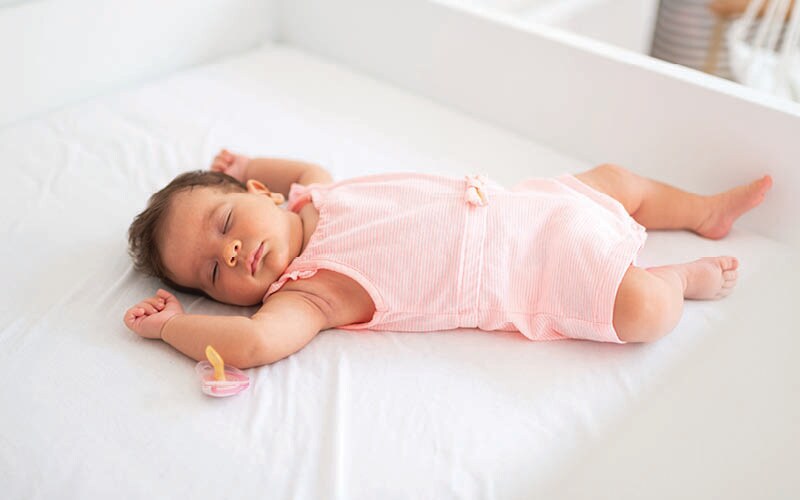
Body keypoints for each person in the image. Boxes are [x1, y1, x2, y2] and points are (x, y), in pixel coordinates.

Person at [124, 149, 772, 368]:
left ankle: (701, 211)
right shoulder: (308, 294)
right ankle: (679, 278)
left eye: (226, 223)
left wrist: (243, 164)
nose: (232, 253)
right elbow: (253, 346)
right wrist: (170, 326)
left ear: (262, 195)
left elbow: (299, 167)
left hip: (530, 206)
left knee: (619, 181)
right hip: (531, 278)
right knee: (645, 312)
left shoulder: (311, 193)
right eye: (212, 271)